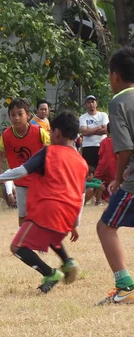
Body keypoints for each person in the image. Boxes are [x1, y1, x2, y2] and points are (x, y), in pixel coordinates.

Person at [0, 112, 86, 293]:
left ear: (57, 133)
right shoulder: (81, 162)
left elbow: (21, 171)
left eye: (51, 132)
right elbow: (81, 194)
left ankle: (50, 273)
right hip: (68, 212)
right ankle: (68, 262)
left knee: (17, 247)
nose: (50, 136)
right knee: (50, 235)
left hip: (48, 209)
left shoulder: (50, 152)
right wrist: (74, 223)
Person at [96, 47, 134, 305]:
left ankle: (126, 286)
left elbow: (124, 147)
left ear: (116, 76)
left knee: (105, 226)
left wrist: (119, 178)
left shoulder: (118, 101)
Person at [0, 98, 50, 226]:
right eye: (13, 115)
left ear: (28, 115)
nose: (17, 118)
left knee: (41, 213)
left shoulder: (39, 132)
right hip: (21, 182)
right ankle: (25, 243)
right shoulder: (6, 135)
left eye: (20, 114)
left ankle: (42, 243)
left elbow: (52, 149)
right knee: (23, 215)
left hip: (39, 180)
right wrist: (0, 177)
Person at [79, 95, 109, 167]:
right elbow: (84, 132)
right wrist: (98, 127)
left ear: (96, 103)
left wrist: (90, 131)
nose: (91, 104)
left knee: (102, 168)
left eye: (93, 102)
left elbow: (106, 130)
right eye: (89, 102)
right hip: (88, 147)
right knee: (90, 170)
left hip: (102, 146)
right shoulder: (83, 117)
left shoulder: (103, 115)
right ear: (86, 105)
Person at [95, 123, 117, 201]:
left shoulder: (103, 142)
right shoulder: (118, 142)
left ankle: (100, 198)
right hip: (114, 166)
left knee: (101, 183)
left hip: (103, 166)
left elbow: (100, 154)